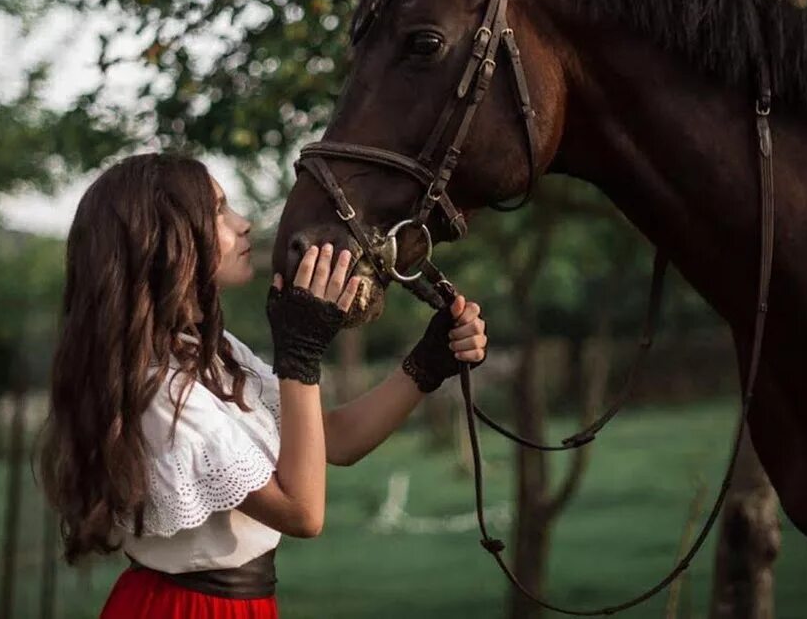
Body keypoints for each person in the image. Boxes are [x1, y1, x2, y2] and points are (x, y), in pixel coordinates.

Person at [37, 152, 488, 618]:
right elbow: (302, 512)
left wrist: (427, 364)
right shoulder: (158, 386)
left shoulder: (212, 352)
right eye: (218, 211)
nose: (244, 223)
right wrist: (300, 354)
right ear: (165, 243)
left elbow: (332, 440)